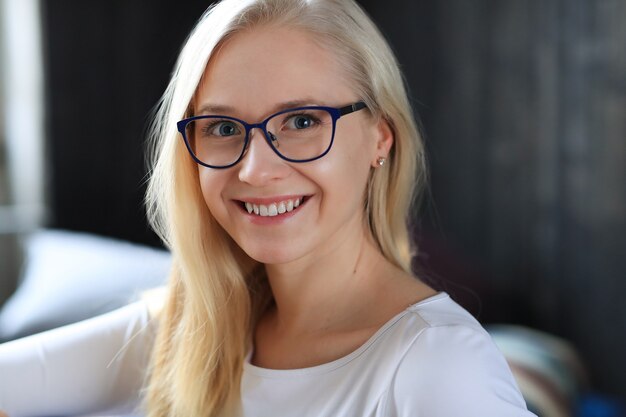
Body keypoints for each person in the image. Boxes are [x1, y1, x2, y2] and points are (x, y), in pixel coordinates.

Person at [0, 0, 537, 416]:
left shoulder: (436, 361)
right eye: (223, 128)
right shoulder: (194, 329)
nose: (255, 170)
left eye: (302, 121)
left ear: (380, 137)